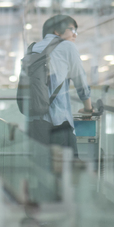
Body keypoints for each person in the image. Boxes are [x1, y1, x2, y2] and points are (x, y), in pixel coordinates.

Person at [27, 15, 93, 157]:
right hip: (58, 124)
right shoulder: (67, 46)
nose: (75, 34)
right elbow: (80, 79)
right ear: (57, 31)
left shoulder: (33, 48)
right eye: (72, 29)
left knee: (40, 171)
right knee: (68, 172)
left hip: (34, 125)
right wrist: (88, 108)